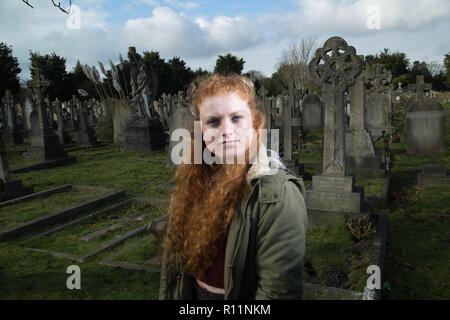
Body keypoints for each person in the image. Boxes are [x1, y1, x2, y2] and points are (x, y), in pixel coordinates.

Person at [159, 74, 308, 300]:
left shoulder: (277, 193)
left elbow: (278, 291)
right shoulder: (197, 179)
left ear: (254, 122)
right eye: (213, 121)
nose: (226, 130)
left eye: (236, 118)